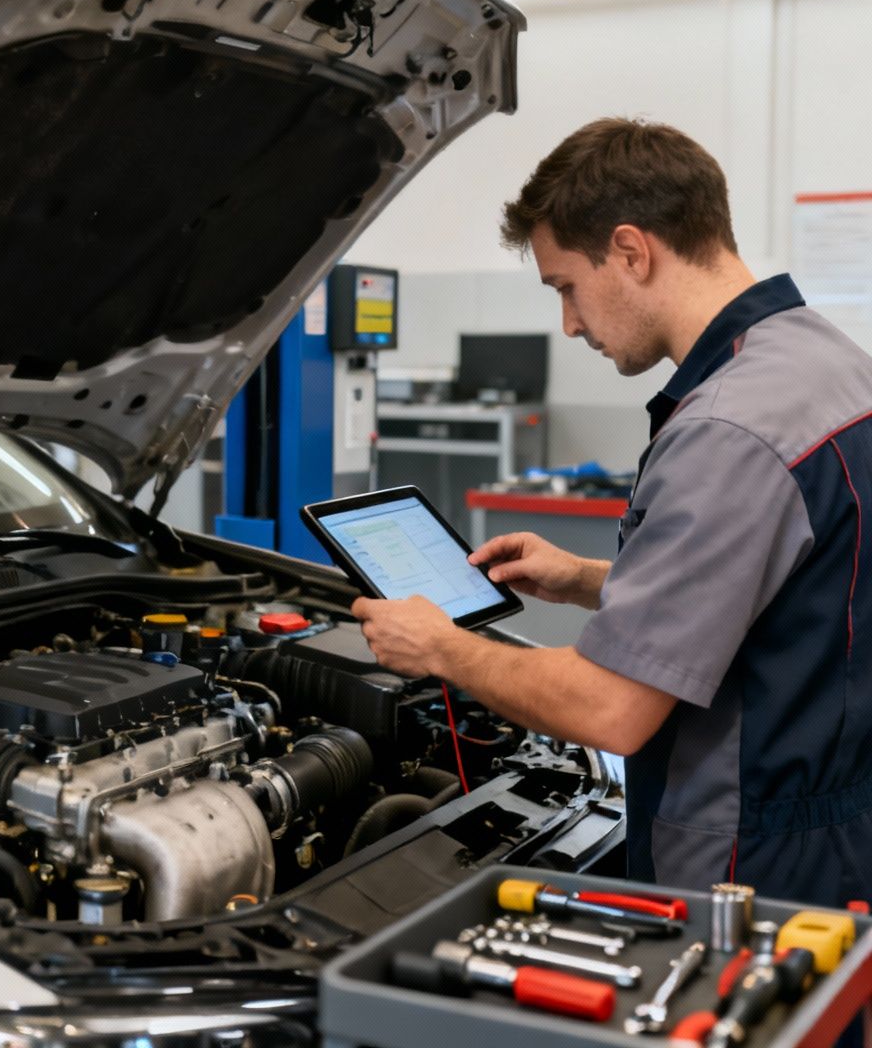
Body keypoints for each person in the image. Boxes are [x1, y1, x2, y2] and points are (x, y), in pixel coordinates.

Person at [352, 117, 872, 903]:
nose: (569, 322)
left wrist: (441, 647)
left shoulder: (728, 430)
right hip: (836, 828)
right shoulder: (824, 360)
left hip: (751, 866)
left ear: (631, 250)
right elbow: (787, 591)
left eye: (565, 286)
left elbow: (611, 707)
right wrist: (593, 579)